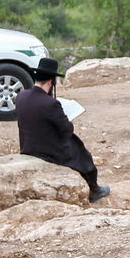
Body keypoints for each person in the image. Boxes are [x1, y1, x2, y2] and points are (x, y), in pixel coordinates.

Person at [17, 57, 110, 203]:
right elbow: (66, 130)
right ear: (51, 82)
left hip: (27, 146)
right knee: (80, 150)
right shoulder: (50, 103)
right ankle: (94, 189)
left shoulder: (21, 96)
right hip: (46, 151)